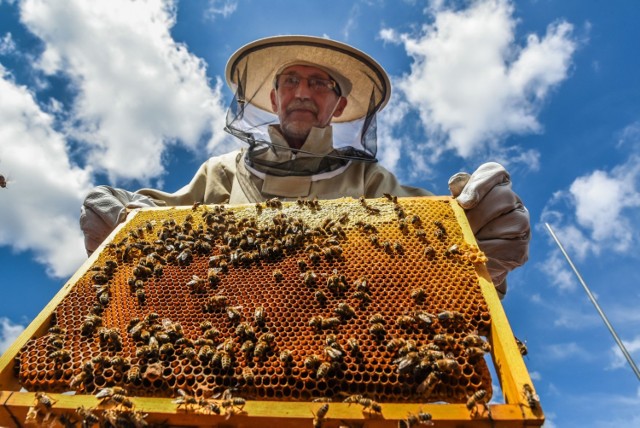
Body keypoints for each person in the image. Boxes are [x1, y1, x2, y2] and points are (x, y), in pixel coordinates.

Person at [80, 35, 530, 298]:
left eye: (319, 84)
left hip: (344, 395)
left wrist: (482, 231)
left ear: (338, 105)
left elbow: (441, 248)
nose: (301, 93)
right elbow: (153, 220)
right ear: (273, 99)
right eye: (290, 81)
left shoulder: (372, 183)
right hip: (208, 389)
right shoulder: (221, 174)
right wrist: (118, 223)